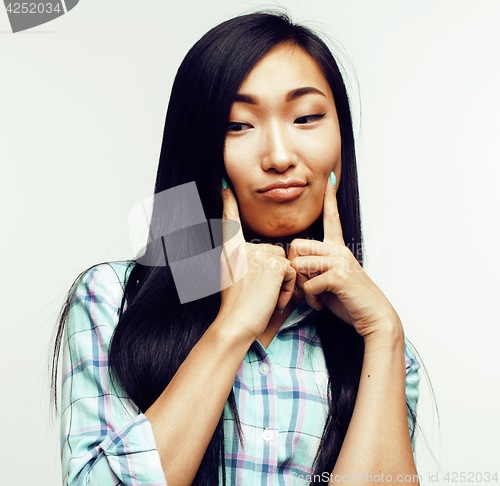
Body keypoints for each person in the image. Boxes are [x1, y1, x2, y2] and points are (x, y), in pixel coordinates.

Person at [51, 11, 421, 486]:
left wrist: (384, 334)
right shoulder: (114, 299)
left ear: (341, 142)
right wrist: (232, 326)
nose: (280, 156)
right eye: (237, 125)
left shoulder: (378, 346)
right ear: (197, 149)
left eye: (306, 118)